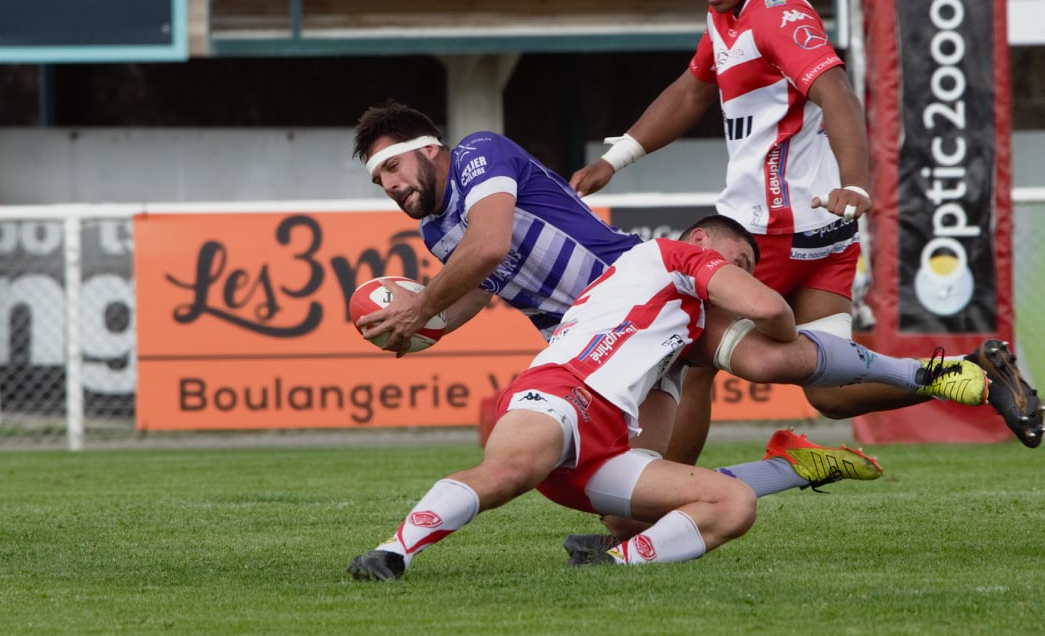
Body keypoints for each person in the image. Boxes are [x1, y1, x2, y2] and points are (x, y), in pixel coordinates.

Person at [569, 0, 1043, 458]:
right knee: (832, 393)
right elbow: (692, 90)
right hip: (822, 237)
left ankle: (668, 499)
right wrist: (617, 157)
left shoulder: (775, 14)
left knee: (690, 360)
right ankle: (973, 374)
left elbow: (836, 92)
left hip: (766, 233)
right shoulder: (729, 15)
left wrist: (857, 183)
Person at [347, 215, 1001, 579]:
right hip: (561, 395)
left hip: (602, 454)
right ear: (702, 244)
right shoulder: (667, 257)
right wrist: (767, 311)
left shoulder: (678, 331)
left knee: (730, 505)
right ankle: (392, 553)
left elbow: (657, 448)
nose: (738, 273)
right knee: (508, 472)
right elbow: (770, 310)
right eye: (737, 260)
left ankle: (777, 475)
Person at [351, 101, 883, 495]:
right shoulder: (435, 230)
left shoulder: (478, 153)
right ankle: (790, 467)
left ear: (428, 148)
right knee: (633, 502)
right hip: (588, 346)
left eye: (392, 167)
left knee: (769, 362)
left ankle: (925, 372)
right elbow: (480, 283)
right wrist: (428, 326)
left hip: (634, 295)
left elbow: (488, 246)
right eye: (378, 180)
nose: (389, 185)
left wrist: (421, 306)